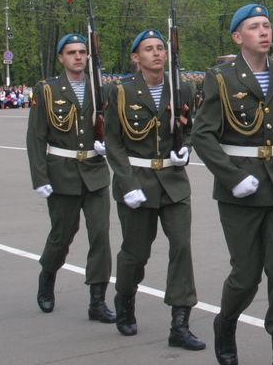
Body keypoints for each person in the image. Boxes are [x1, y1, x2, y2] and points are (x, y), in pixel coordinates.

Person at [192, 4, 273, 365]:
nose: (264, 32)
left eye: (267, 25)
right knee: (246, 275)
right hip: (240, 190)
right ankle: (226, 323)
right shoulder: (220, 78)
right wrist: (233, 177)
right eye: (254, 27)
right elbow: (202, 136)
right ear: (238, 37)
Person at [105, 29, 204, 350]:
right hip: (137, 182)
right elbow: (113, 142)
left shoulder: (182, 89)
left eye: (160, 48)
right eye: (148, 49)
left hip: (174, 183)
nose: (156, 53)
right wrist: (126, 182)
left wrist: (185, 148)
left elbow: (189, 129)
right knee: (136, 252)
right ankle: (125, 298)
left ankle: (180, 321)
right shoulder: (120, 92)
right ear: (136, 57)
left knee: (181, 248)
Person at [26, 33, 115, 323]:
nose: (78, 56)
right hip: (62, 174)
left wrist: (107, 144)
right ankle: (48, 275)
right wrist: (40, 177)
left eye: (82, 52)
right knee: (62, 235)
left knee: (100, 236)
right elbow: (36, 138)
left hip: (95, 173)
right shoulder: (47, 90)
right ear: (61, 58)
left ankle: (97, 301)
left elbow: (115, 128)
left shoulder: (101, 89)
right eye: (71, 52)